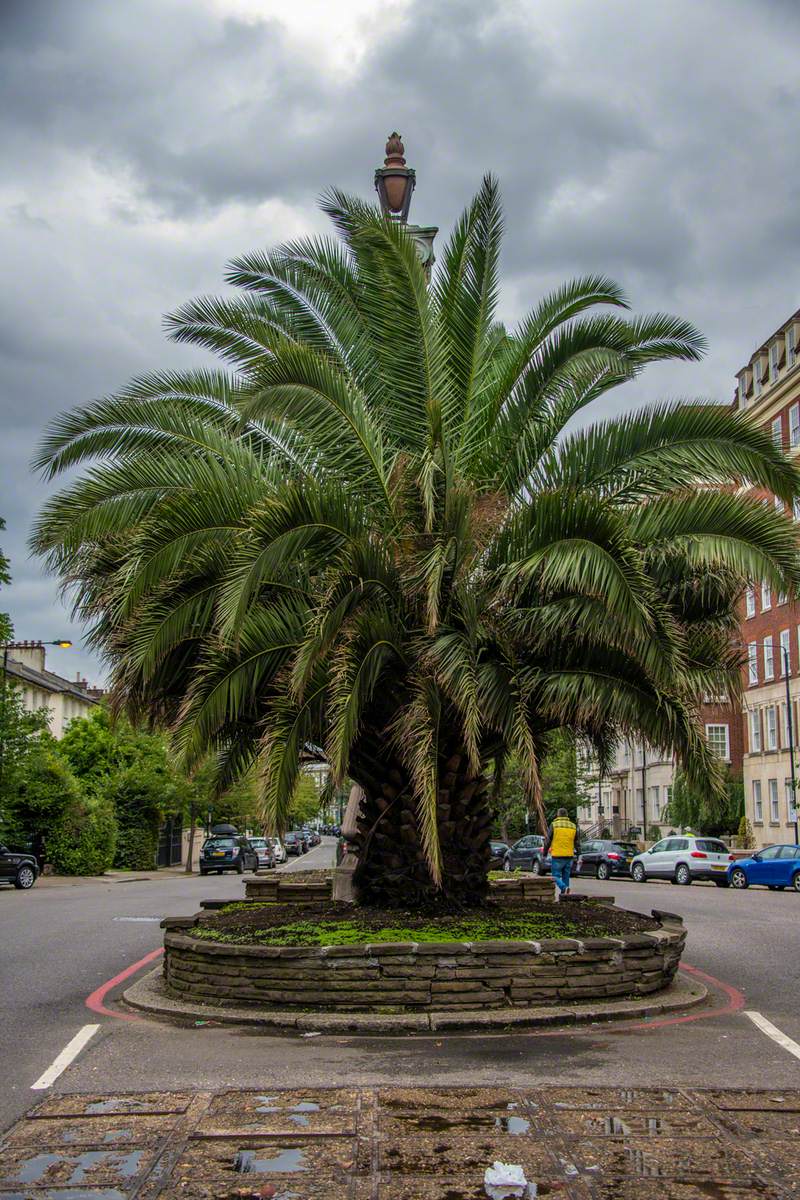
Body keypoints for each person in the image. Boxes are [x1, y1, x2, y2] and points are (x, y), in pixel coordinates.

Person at [543, 807, 580, 898]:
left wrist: (544, 853)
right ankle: (565, 895)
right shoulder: (573, 826)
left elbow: (548, 840)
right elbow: (577, 842)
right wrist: (579, 853)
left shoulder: (554, 825)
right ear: (567, 815)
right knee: (566, 876)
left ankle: (564, 888)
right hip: (569, 855)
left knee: (555, 875)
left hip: (557, 855)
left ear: (558, 815)